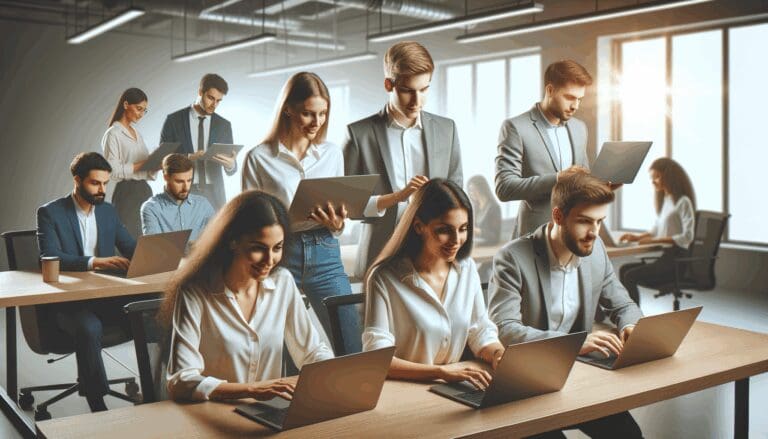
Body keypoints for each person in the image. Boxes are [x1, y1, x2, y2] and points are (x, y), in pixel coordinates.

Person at [488, 167, 644, 439]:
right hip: (526, 382)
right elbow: (505, 329)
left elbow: (623, 304)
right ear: (558, 216)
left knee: (629, 435)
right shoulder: (512, 258)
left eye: (599, 222)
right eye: (585, 221)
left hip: (576, 377)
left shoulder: (596, 253)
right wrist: (573, 343)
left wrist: (631, 325)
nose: (594, 233)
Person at [162, 190, 334, 402]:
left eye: (277, 248)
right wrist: (251, 390)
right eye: (258, 248)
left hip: (267, 414)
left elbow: (312, 351)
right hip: (211, 414)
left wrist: (331, 373)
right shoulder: (195, 291)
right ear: (233, 242)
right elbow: (181, 380)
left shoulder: (283, 281)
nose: (270, 260)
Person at [242, 72, 360, 354]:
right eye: (308, 114)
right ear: (288, 109)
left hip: (325, 252)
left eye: (322, 114)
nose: (317, 122)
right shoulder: (259, 158)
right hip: (280, 256)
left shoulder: (332, 153)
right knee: (279, 351)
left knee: (351, 345)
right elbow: (245, 222)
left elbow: (339, 214)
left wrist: (337, 224)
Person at [363, 179, 504, 390]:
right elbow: (377, 358)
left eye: (463, 229)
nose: (456, 240)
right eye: (444, 230)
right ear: (419, 226)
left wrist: (497, 354)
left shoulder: (466, 269)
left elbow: (479, 331)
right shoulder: (383, 277)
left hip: (455, 386)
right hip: (403, 390)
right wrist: (441, 373)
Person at [344, 41, 463, 278]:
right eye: (408, 90)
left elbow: (457, 195)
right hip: (380, 254)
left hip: (435, 254)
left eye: (424, 89)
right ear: (389, 85)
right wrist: (398, 197)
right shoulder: (359, 134)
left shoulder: (446, 129)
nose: (417, 101)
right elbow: (350, 206)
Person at [37, 152, 144, 412]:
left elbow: (130, 247)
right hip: (67, 302)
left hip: (105, 296)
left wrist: (156, 255)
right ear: (77, 180)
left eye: (105, 184)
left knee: (150, 310)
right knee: (89, 327)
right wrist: (95, 262)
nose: (102, 190)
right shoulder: (50, 212)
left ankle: (157, 389)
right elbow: (50, 256)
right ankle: (97, 404)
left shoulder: (107, 211)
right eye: (95, 183)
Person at [495, 60, 592, 238]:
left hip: (574, 236)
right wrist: (557, 179)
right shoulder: (516, 127)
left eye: (579, 99)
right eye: (570, 97)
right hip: (535, 236)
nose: (575, 106)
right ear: (550, 90)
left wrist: (602, 186)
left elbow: (581, 180)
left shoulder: (579, 128)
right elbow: (504, 187)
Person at [619, 158, 696, 305]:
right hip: (667, 258)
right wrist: (636, 237)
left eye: (657, 177)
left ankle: (634, 317)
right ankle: (627, 312)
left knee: (630, 275)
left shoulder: (683, 202)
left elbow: (688, 236)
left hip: (675, 261)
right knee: (624, 269)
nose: (653, 181)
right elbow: (657, 229)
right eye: (652, 178)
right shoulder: (667, 200)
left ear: (669, 176)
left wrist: (654, 241)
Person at [160, 73, 237, 210]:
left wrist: (231, 165)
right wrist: (189, 157)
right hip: (183, 191)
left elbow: (231, 167)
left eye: (219, 101)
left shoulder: (224, 125)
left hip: (214, 194)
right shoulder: (174, 121)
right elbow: (162, 159)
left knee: (215, 232)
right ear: (200, 92)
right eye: (211, 98)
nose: (214, 104)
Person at [101, 87, 155, 239]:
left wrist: (156, 163)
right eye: (139, 109)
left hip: (144, 190)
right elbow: (113, 171)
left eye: (144, 110)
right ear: (126, 105)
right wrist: (144, 164)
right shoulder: (113, 134)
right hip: (127, 194)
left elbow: (146, 169)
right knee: (132, 238)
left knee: (148, 237)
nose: (141, 114)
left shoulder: (137, 133)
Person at [140, 153, 215, 246]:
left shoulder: (203, 204)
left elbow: (218, 238)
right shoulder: (151, 208)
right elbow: (154, 250)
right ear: (166, 177)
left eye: (189, 180)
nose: (186, 188)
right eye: (179, 181)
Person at [467, 175, 501, 246]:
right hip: (476, 245)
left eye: (474, 189)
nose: (471, 193)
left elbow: (495, 237)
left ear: (482, 189)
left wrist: (479, 231)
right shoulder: (475, 208)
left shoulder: (494, 208)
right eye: (470, 190)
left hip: (488, 248)